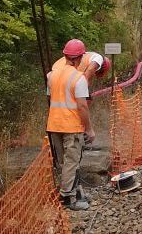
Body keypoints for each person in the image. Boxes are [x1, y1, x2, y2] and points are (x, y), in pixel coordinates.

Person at [47, 39, 95, 211]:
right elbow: (82, 106)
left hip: (54, 125)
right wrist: (89, 129)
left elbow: (51, 96)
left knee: (63, 162)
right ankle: (68, 198)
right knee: (72, 162)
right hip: (71, 126)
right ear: (80, 57)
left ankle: (75, 191)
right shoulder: (78, 78)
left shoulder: (51, 75)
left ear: (65, 55)